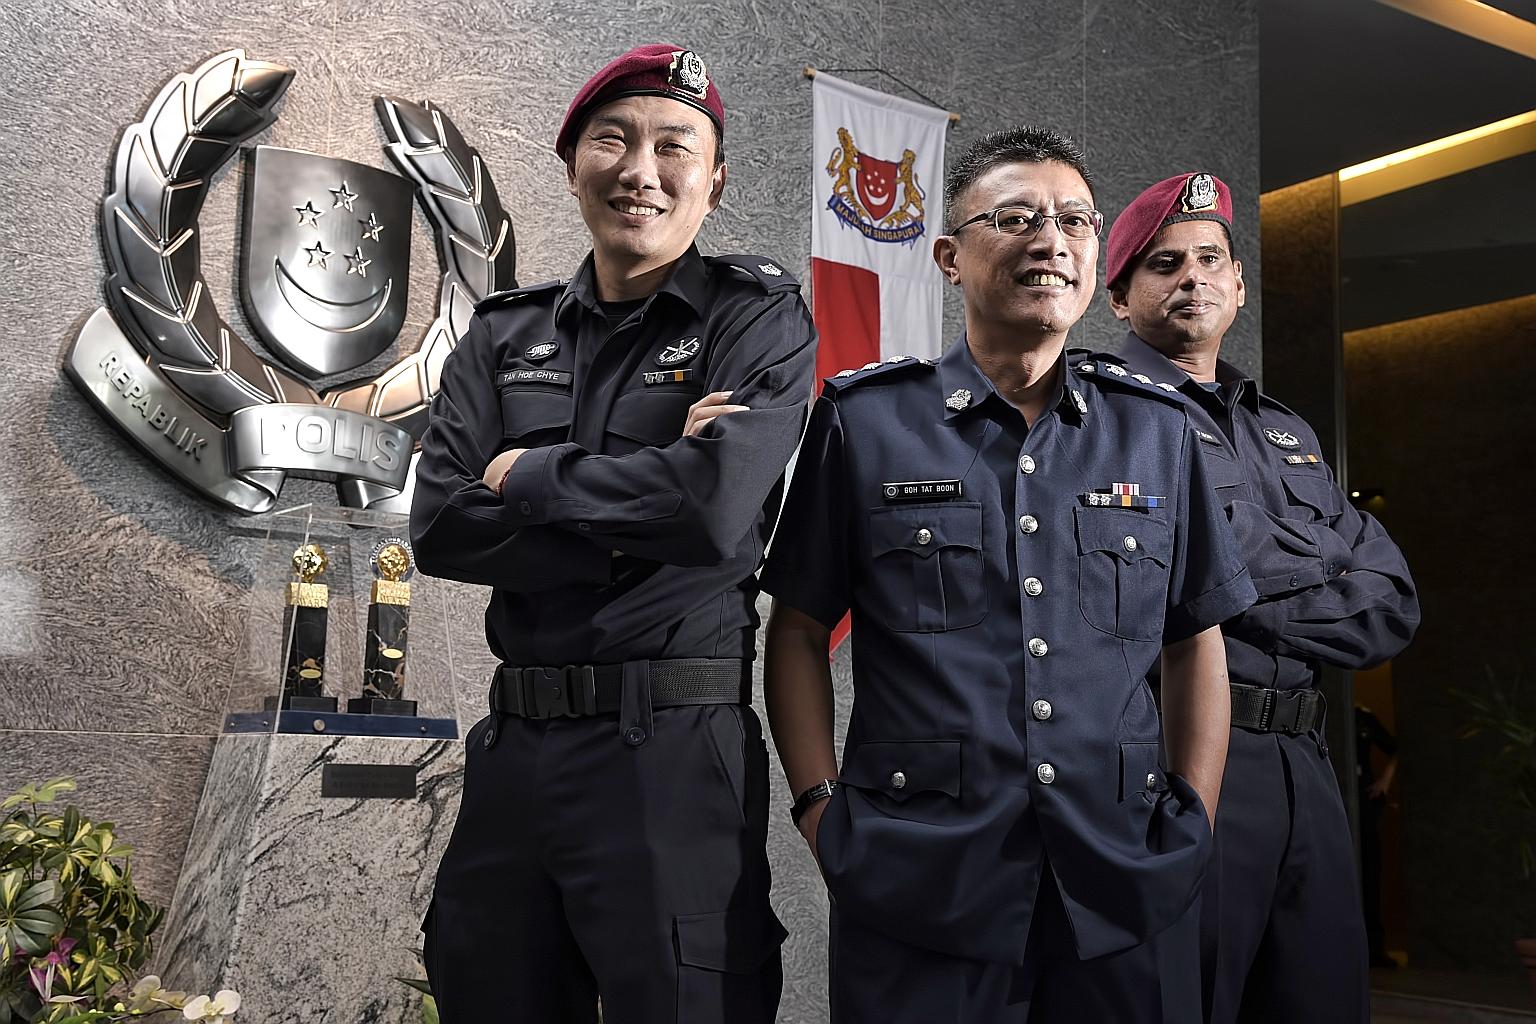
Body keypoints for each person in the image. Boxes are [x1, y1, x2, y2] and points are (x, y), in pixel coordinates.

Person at [759, 126, 1257, 1023]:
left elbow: (1195, 642)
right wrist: (819, 810)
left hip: (1122, 882)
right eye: (1017, 217)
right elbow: (796, 629)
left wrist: (1194, 816)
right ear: (950, 257)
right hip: (919, 880)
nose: (1050, 240)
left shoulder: (1157, 431)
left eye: (1073, 219)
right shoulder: (864, 422)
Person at [409, 43, 817, 1024]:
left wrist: (531, 474)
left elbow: (716, 511)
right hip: (514, 754)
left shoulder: (755, 318)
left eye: (675, 145)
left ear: (713, 181)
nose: (642, 168)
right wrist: (653, 500)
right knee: (484, 988)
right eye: (613, 139)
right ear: (572, 163)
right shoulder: (503, 337)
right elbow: (440, 528)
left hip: (669, 746)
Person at [1105, 171, 1420, 1022]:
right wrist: (1325, 561)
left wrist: (1255, 565)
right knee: (1190, 999)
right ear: (1120, 297)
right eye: (1164, 264)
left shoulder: (1287, 429)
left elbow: (1390, 599)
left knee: (1321, 997)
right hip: (1184, 756)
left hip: (1307, 763)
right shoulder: (1106, 415)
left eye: (1211, 259)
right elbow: (1216, 572)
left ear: (1239, 286)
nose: (1193, 278)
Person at [1355, 703, 1400, 969]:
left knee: (1370, 871)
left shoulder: (1364, 717)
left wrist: (1384, 782)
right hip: (1335, 795)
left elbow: (1395, 749)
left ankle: (1374, 948)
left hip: (1364, 801)